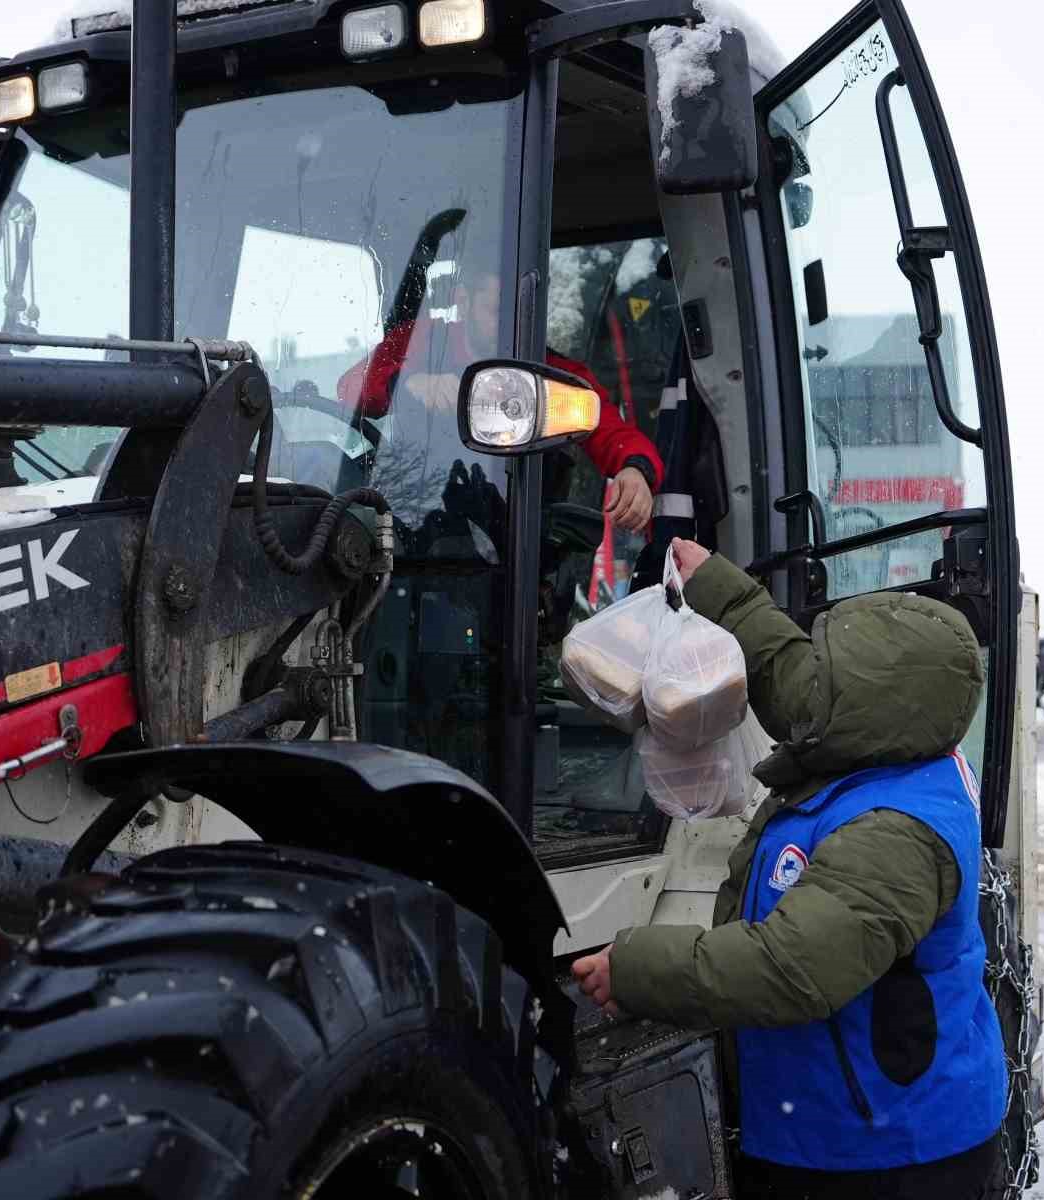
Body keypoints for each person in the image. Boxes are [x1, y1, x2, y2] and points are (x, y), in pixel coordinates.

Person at [572, 538, 1005, 1200]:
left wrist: (634, 970)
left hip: (888, 1157)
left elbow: (790, 968)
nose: (807, 690)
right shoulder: (891, 745)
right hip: (833, 1131)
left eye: (829, 680)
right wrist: (717, 585)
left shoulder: (897, 830)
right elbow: (789, 675)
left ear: (871, 705)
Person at [336, 272, 663, 531]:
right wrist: (406, 382)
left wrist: (635, 469)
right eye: (495, 310)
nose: (509, 322)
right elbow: (349, 389)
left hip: (514, 532)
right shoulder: (424, 340)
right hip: (411, 515)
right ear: (464, 302)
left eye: (519, 311)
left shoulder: (553, 374)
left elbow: (610, 431)